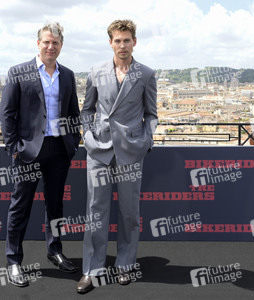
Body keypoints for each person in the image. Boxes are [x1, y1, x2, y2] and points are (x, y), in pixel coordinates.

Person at [77, 19, 158, 294]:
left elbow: (152, 114)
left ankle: (125, 265)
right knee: (95, 212)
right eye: (117, 40)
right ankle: (92, 269)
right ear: (110, 42)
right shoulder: (96, 71)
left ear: (134, 42)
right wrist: (87, 137)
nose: (122, 45)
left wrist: (146, 140)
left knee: (129, 213)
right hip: (98, 149)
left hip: (131, 151)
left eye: (127, 40)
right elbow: (87, 110)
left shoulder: (146, 74)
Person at [0, 22, 81, 287]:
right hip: (29, 151)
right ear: (38, 43)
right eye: (46, 42)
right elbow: (7, 114)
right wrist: (15, 148)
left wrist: (73, 141)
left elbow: (73, 112)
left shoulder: (67, 75)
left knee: (55, 204)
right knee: (20, 206)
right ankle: (14, 261)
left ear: (61, 46)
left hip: (59, 149)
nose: (50, 47)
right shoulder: (18, 72)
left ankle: (55, 250)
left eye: (55, 43)